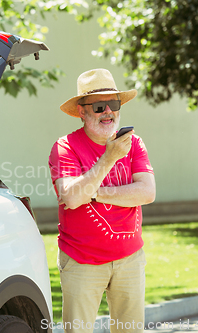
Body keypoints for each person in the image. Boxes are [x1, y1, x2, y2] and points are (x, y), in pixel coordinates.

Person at [48, 69, 156, 333]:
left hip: (130, 258)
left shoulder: (133, 144)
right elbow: (72, 198)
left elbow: (147, 192)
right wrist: (109, 158)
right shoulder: (66, 147)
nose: (108, 112)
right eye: (98, 106)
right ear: (82, 112)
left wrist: (94, 192)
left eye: (114, 104)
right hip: (82, 260)